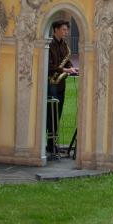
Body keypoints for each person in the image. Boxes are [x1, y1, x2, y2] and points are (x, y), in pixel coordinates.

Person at [46, 19, 77, 154]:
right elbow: (49, 66)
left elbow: (67, 61)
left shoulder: (64, 45)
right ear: (56, 30)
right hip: (51, 83)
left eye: (66, 30)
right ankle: (49, 144)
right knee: (50, 115)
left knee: (57, 115)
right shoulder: (49, 44)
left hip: (60, 84)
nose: (66, 32)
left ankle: (52, 144)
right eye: (64, 30)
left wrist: (72, 68)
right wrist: (64, 70)